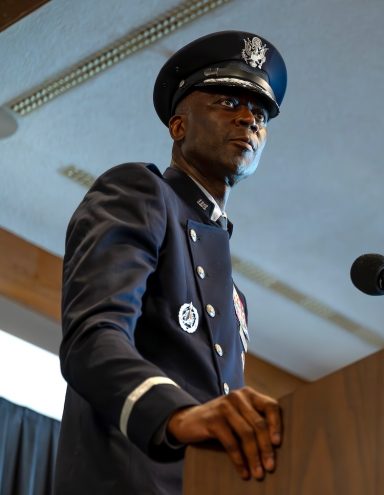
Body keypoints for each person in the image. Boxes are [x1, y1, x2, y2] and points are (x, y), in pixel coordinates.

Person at [54, 30, 288, 494]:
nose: (248, 119)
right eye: (228, 103)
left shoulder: (236, 298)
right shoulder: (141, 191)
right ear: (178, 126)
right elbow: (92, 338)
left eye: (260, 114)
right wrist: (179, 414)